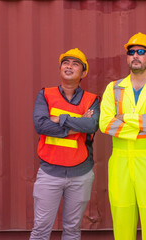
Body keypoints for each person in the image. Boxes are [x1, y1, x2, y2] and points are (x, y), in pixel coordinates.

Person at [99, 32, 146, 240]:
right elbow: (104, 123)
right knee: (122, 224)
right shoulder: (113, 88)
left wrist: (122, 117)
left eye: (142, 52)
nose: (135, 56)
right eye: (131, 52)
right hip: (120, 162)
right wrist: (140, 125)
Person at [30, 48, 100, 240]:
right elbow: (41, 125)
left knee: (72, 230)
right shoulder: (45, 94)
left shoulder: (91, 100)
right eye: (66, 63)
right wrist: (77, 125)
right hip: (49, 173)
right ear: (60, 68)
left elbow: (92, 124)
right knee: (41, 230)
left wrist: (59, 118)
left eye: (75, 64)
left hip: (81, 174)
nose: (69, 67)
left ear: (83, 72)